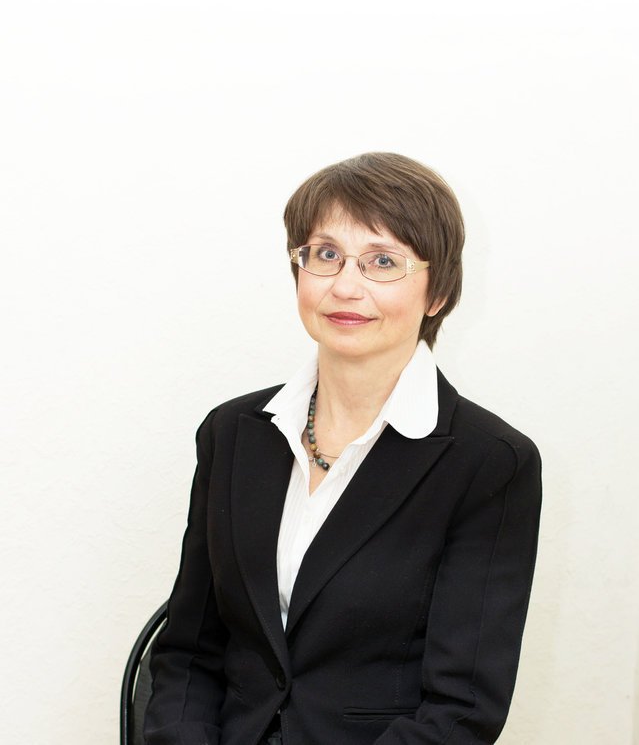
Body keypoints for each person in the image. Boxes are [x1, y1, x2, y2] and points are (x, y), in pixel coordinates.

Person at [143, 152, 542, 745]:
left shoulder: (490, 463)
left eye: (383, 261)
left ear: (438, 292)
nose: (345, 286)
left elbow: (461, 711)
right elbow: (188, 652)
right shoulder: (232, 432)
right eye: (325, 255)